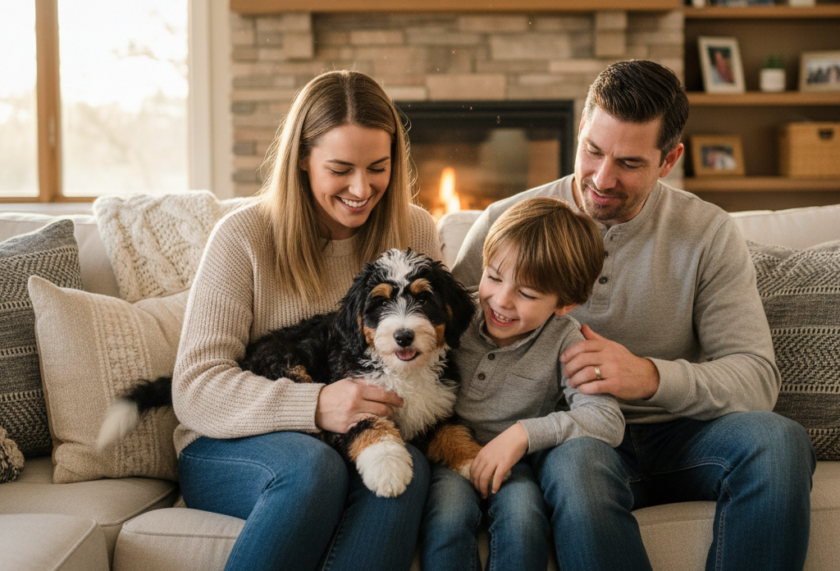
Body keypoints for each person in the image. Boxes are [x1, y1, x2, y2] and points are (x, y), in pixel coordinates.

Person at [451, 59, 816, 571]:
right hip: (580, 437)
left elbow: (756, 378)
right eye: (593, 150)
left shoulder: (707, 233)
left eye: (629, 163)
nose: (602, 178)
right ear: (581, 127)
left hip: (683, 435)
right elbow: (445, 333)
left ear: (669, 160)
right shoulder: (507, 222)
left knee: (779, 442)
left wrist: (648, 376)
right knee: (577, 466)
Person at [171, 70, 442, 571]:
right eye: (340, 169)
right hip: (230, 446)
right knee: (314, 467)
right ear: (302, 158)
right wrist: (314, 404)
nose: (361, 188)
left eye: (378, 168)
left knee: (408, 472)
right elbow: (195, 388)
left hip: (356, 436)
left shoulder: (414, 228)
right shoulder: (242, 237)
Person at [420, 196, 625, 571]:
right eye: (494, 276)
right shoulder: (454, 312)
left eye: (527, 294)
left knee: (524, 521)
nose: (501, 300)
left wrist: (522, 435)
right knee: (447, 518)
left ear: (564, 303)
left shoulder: (566, 340)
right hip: (449, 456)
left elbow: (607, 419)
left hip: (516, 465)